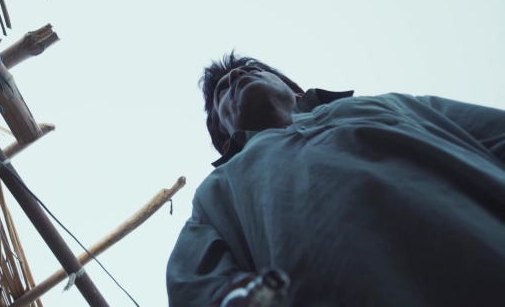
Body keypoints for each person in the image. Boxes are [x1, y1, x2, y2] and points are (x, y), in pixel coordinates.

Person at [166, 52, 505, 307]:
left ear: (295, 91)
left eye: (251, 70)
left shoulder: (395, 105)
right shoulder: (217, 194)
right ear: (223, 135)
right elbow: (196, 284)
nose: (238, 75)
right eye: (223, 90)